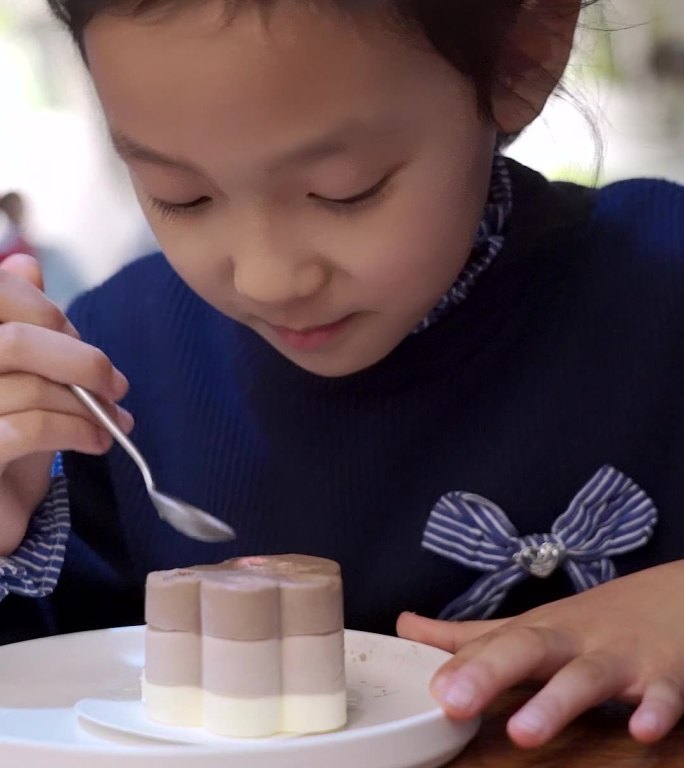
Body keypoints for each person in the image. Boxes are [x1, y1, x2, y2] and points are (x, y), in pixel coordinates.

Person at [0, 0, 683, 750]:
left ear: (527, 52)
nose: (266, 278)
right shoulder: (113, 367)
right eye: (180, 195)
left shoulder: (660, 289)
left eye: (343, 189)